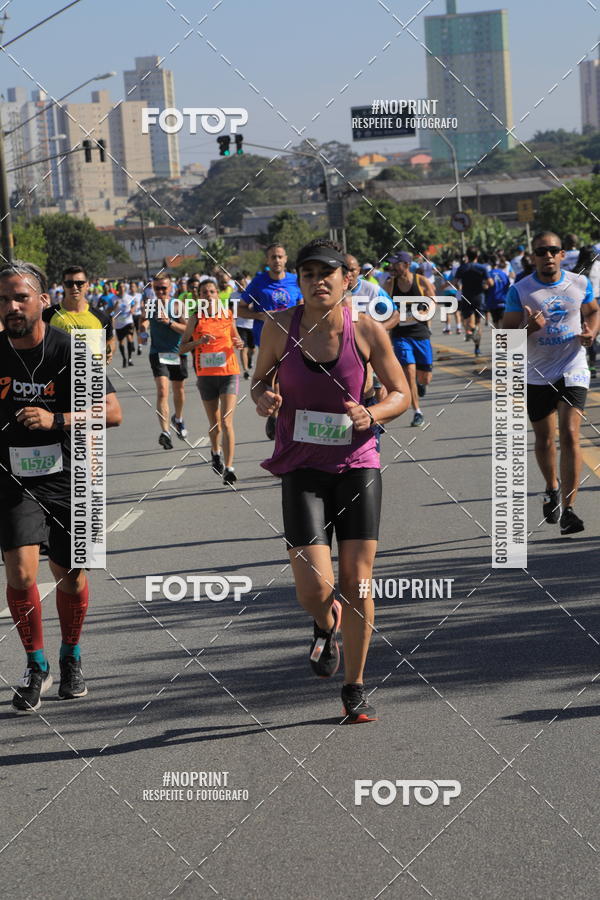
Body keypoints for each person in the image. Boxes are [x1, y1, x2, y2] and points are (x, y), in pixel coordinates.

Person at [252, 239, 410, 723]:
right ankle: (325, 622)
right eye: (308, 273)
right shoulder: (280, 326)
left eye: (328, 273)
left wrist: (372, 411)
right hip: (301, 464)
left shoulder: (365, 330)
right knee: (314, 588)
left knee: (357, 581)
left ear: (347, 279)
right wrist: (264, 399)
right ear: (298, 281)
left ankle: (355, 685)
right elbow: (258, 381)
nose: (318, 280)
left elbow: (402, 393)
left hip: (357, 463)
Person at [0, 260, 122, 713]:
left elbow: (112, 413)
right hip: (12, 477)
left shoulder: (70, 350)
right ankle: (36, 665)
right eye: (4, 300)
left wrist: (58, 418)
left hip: (71, 475)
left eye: (20, 297)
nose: (12, 306)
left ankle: (71, 655)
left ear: (42, 301)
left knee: (70, 576)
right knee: (22, 572)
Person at [502, 231, 599, 535]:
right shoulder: (520, 290)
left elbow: (593, 311)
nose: (547, 256)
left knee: (570, 434)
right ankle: (551, 487)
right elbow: (505, 339)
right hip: (536, 373)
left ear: (561, 254)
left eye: (553, 251)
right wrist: (528, 328)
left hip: (573, 365)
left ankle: (569, 509)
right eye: (541, 251)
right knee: (545, 440)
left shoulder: (579, 283)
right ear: (532, 257)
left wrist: (591, 332)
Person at [180, 279, 244, 484]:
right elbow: (182, 348)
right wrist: (199, 342)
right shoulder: (196, 318)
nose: (208, 295)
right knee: (215, 424)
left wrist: (239, 342)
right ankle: (215, 452)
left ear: (217, 294)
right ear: (199, 296)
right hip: (206, 376)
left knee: (226, 421)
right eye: (204, 292)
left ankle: (229, 468)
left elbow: (236, 338)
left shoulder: (227, 314)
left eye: (212, 292)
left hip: (229, 373)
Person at [238, 244, 303, 439]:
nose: (277, 260)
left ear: (286, 259)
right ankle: (275, 416)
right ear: (267, 261)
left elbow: (303, 306)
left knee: (289, 379)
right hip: (266, 339)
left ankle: (285, 416)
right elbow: (241, 309)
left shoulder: (295, 281)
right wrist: (262, 316)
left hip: (293, 338)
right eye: (273, 257)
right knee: (273, 379)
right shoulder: (258, 283)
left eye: (280, 257)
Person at [383, 251, 436, 427]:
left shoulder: (421, 281)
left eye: (395, 264)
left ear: (406, 265)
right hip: (400, 335)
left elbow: (433, 302)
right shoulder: (390, 284)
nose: (392, 267)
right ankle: (417, 411)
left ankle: (421, 385)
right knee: (409, 373)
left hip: (420, 333)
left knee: (425, 377)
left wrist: (422, 313)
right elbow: (382, 306)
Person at [139, 274, 188, 449]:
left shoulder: (177, 305)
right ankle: (165, 432)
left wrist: (169, 323)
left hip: (176, 352)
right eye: (157, 288)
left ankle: (178, 418)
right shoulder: (149, 305)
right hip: (157, 353)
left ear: (170, 288)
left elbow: (186, 329)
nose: (160, 291)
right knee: (162, 391)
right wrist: (143, 332)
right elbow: (143, 321)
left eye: (163, 288)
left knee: (179, 389)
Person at [43, 265, 115, 364]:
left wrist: (109, 352)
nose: (74, 287)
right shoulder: (48, 315)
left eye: (80, 283)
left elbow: (110, 340)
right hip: (59, 377)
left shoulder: (101, 316)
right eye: (69, 283)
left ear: (87, 285)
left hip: (92, 375)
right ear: (63, 286)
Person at [455, 247, 493, 356]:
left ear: (467, 255)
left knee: (468, 321)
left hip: (466, 296)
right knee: (478, 322)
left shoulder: (462, 268)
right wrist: (485, 286)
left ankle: (471, 330)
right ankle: (477, 348)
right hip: (479, 297)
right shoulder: (482, 268)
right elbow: (490, 283)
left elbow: (455, 282)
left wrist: (460, 287)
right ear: (477, 256)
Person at [111, 281, 136, 368]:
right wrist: (115, 306)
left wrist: (133, 309)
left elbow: (134, 304)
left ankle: (130, 358)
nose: (122, 289)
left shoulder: (129, 297)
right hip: (119, 323)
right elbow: (110, 311)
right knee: (121, 342)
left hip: (128, 321)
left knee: (129, 338)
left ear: (125, 288)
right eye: (120, 287)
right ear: (117, 289)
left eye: (123, 287)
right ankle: (124, 358)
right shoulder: (113, 298)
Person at [485, 255, 511, 326]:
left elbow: (485, 287)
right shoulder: (503, 274)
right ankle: (504, 336)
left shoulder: (488, 274)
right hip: (503, 301)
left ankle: (498, 336)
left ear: (490, 263)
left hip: (492, 301)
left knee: (495, 323)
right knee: (503, 323)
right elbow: (508, 285)